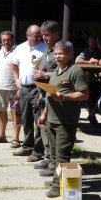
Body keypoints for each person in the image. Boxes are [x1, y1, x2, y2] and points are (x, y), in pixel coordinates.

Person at [38, 40, 88, 198]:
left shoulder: (75, 71)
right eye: (56, 53)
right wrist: (44, 114)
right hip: (52, 119)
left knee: (62, 155)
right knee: (53, 154)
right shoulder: (56, 72)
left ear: (70, 54)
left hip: (65, 121)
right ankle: (56, 180)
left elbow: (84, 94)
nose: (58, 56)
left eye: (61, 53)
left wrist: (64, 96)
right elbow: (50, 95)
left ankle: (57, 187)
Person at [11, 24, 46, 162]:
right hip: (24, 88)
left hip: (38, 87)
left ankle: (37, 150)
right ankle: (27, 146)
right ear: (27, 35)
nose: (38, 38)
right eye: (35, 35)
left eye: (40, 35)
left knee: (38, 118)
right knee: (26, 118)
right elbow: (13, 64)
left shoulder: (44, 48)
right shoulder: (19, 48)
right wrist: (16, 80)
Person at [32, 21, 61, 177]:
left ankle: (53, 162)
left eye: (47, 35)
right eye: (43, 35)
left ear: (57, 34)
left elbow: (64, 73)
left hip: (55, 95)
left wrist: (45, 75)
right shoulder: (47, 50)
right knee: (43, 128)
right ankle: (48, 157)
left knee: (51, 130)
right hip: (44, 94)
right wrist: (41, 94)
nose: (44, 38)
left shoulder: (60, 50)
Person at [0, 31, 20, 146]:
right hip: (0, 87)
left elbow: (21, 70)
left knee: (15, 113)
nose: (6, 42)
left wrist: (19, 88)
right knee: (1, 112)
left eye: (8, 39)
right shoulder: (0, 52)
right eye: (4, 40)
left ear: (12, 40)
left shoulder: (17, 52)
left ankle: (16, 138)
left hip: (13, 87)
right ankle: (2, 135)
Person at [75, 36, 101, 126]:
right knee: (90, 99)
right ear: (88, 43)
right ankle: (91, 116)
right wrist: (90, 62)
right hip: (90, 79)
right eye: (92, 42)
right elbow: (77, 61)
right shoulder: (86, 51)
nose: (94, 44)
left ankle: (93, 115)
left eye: (95, 42)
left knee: (100, 98)